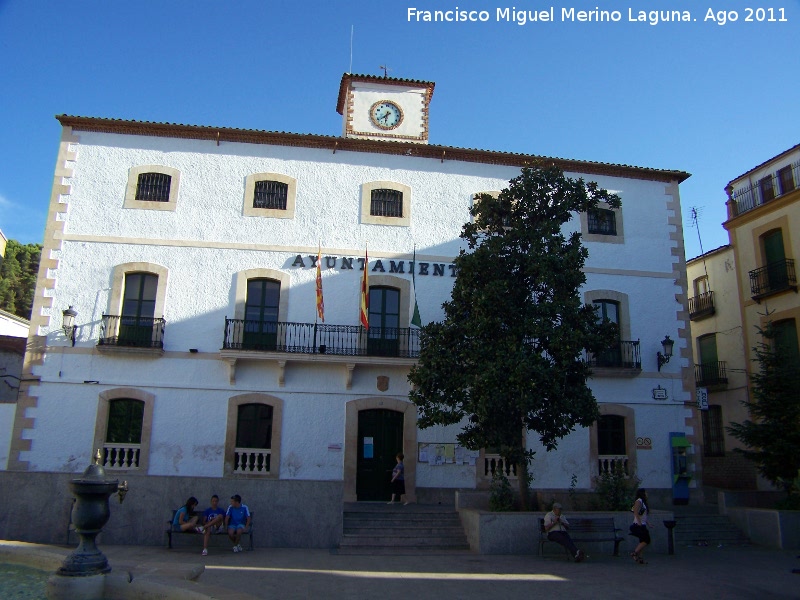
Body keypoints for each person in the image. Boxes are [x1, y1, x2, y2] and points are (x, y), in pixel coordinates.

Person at [630, 488, 654, 564]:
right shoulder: (639, 501)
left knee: (642, 541)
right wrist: (639, 522)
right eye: (646, 492)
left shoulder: (643, 502)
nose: (647, 494)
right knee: (647, 540)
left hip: (642, 524)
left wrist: (648, 523)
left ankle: (640, 558)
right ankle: (634, 552)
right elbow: (635, 512)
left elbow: (642, 515)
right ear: (642, 493)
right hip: (637, 525)